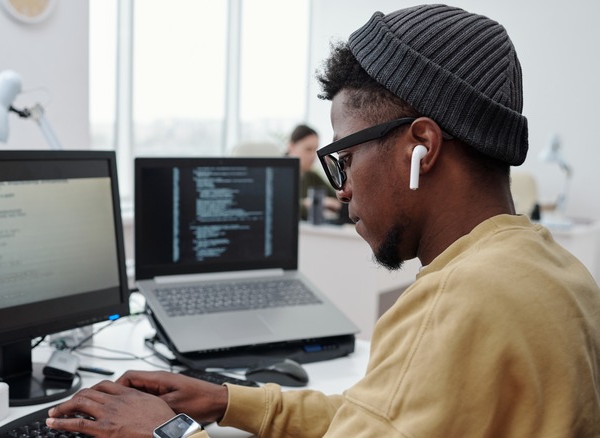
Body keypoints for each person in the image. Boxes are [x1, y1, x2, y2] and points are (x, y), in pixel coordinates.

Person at [47, 5, 600, 436]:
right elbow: (378, 417)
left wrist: (169, 430)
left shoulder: (458, 306)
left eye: (346, 158)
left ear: (422, 147)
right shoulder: (555, 271)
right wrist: (227, 400)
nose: (344, 189)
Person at [286, 124, 348, 224]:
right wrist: (309, 203)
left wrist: (335, 204)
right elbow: (278, 206)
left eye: (315, 150)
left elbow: (338, 199)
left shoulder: (312, 176)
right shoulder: (275, 175)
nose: (313, 156)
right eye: (308, 149)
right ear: (291, 146)